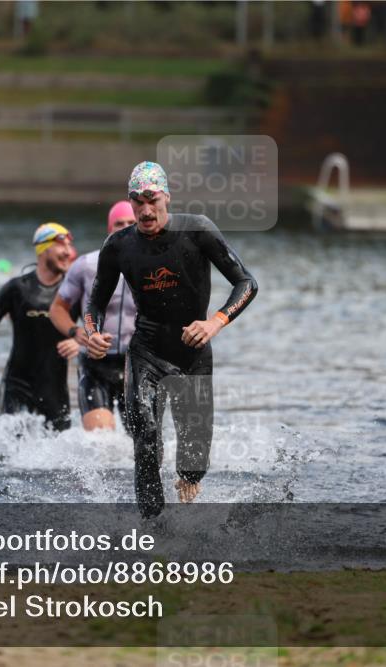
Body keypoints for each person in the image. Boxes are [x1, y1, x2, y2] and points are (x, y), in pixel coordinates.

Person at [84, 162, 258, 517]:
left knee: (193, 461)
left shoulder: (198, 231)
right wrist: (93, 332)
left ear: (167, 197)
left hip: (193, 351)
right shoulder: (118, 246)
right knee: (145, 434)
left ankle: (188, 485)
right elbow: (95, 303)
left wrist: (215, 323)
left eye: (152, 199)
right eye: (137, 202)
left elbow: (246, 283)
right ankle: (153, 525)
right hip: (146, 350)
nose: (146, 210)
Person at [0, 223, 76, 429]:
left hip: (55, 391)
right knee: (13, 451)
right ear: (43, 249)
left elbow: (94, 326)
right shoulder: (17, 288)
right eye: (62, 246)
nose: (68, 252)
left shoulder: (72, 291)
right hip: (17, 386)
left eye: (69, 246)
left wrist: (78, 342)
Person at [49, 201, 137, 431]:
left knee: (143, 447)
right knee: (100, 444)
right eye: (119, 223)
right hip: (96, 363)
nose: (125, 227)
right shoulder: (86, 265)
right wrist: (76, 332)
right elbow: (57, 309)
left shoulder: (154, 267)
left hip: (136, 366)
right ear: (110, 228)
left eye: (131, 223)